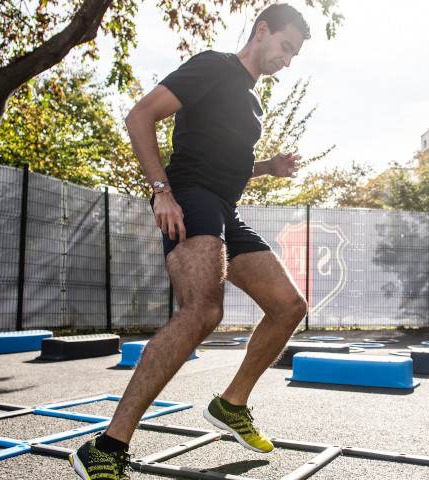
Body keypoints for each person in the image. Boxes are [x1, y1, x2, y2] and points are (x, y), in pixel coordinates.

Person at [69, 4, 312, 479]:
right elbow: (140, 116)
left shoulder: (251, 100)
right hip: (191, 198)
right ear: (262, 31)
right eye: (285, 46)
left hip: (226, 210)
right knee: (202, 311)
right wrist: (162, 192)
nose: (288, 59)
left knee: (289, 307)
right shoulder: (214, 66)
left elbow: (228, 161)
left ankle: (231, 404)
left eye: (295, 54)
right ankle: (106, 447)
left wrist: (269, 167)